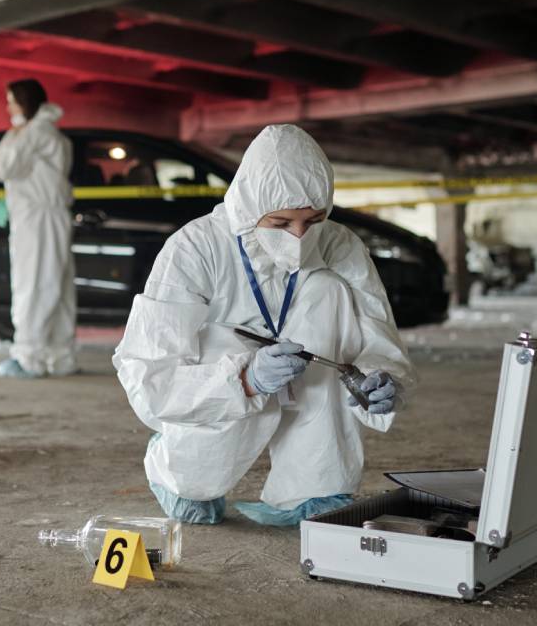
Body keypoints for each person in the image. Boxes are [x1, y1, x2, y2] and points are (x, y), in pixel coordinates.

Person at [112, 124, 415, 526]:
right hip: (220, 377)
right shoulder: (195, 248)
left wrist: (383, 378)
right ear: (249, 208)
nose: (300, 237)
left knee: (329, 289)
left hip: (311, 376)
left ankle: (315, 484)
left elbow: (377, 330)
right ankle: (180, 469)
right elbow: (149, 371)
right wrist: (245, 379)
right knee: (196, 478)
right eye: (281, 223)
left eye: (313, 220)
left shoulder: (340, 244)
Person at [0, 79, 77, 378]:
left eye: (11, 101)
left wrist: (13, 133)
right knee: (58, 286)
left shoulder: (33, 132)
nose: (8, 107)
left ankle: (29, 357)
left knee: (34, 284)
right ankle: (60, 356)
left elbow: (4, 167)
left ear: (24, 103)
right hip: (52, 216)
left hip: (36, 219)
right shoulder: (50, 131)